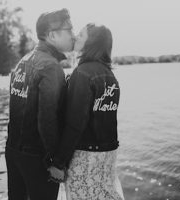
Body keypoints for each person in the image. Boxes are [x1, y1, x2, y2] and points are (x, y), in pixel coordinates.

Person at [5, 8, 75, 200]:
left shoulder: (22, 62)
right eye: (69, 29)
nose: (73, 35)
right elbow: (47, 119)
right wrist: (55, 162)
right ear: (52, 35)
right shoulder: (51, 67)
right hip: (36, 159)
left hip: (13, 151)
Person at [50, 23, 125, 200]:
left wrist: (59, 163)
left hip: (86, 156)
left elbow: (75, 124)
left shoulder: (82, 74)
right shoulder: (110, 76)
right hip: (108, 154)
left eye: (81, 35)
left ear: (92, 43)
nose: (76, 36)